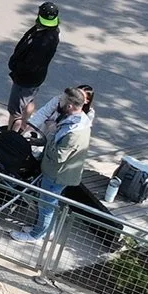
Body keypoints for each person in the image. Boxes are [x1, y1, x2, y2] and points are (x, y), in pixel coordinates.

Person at [22, 87, 94, 242]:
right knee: (50, 204)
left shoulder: (73, 130)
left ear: (69, 106)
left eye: (61, 101)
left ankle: (36, 235)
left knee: (46, 206)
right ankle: (47, 231)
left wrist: (52, 131)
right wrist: (42, 141)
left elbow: (59, 156)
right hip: (58, 172)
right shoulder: (78, 121)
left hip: (57, 174)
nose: (58, 103)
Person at [6, 2, 62, 122]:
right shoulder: (53, 32)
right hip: (37, 77)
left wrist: (15, 66)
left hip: (25, 78)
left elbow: (30, 64)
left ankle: (12, 133)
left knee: (15, 111)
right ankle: (24, 126)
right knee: (28, 101)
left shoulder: (42, 41)